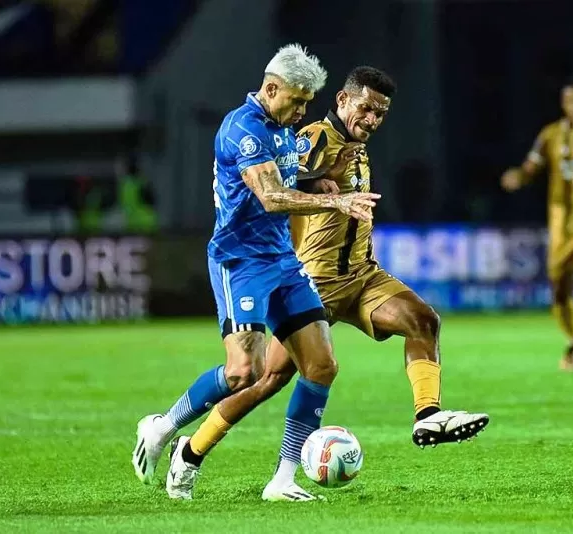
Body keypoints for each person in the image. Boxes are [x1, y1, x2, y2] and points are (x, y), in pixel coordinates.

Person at [169, 66, 490, 502]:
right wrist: (323, 189)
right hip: (313, 281)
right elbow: (278, 185)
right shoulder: (313, 137)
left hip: (362, 277)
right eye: (366, 108)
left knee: (423, 320)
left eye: (380, 113)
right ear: (342, 100)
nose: (372, 119)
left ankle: (427, 416)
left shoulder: (356, 147)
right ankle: (190, 450)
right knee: (264, 379)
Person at [131, 44, 381, 494]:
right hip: (240, 261)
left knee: (321, 366)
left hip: (283, 259)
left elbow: (285, 179)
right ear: (271, 88)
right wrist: (335, 199)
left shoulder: (283, 126)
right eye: (298, 100)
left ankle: (283, 480)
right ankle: (162, 427)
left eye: (308, 102)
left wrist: (314, 178)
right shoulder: (242, 129)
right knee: (243, 372)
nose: (304, 110)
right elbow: (269, 196)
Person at [501, 78, 573, 372]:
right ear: (564, 104)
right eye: (571, 101)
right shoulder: (550, 135)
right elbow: (531, 167)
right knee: (559, 290)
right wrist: (519, 177)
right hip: (562, 222)